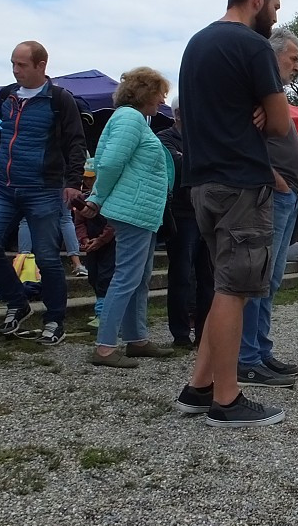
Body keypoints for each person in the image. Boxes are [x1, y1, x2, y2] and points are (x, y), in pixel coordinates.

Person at [173, 0, 291, 429]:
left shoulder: (196, 44)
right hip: (242, 180)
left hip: (201, 181)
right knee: (235, 288)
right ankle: (228, 399)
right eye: (276, 7)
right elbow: (281, 125)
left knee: (225, 283)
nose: (275, 20)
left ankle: (199, 387)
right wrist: (265, 109)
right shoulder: (253, 46)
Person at [0, 41, 86, 345]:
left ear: (41, 66)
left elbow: (76, 142)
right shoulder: (6, 96)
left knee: (47, 257)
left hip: (43, 189)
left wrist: (73, 182)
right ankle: (17, 301)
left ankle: (54, 319)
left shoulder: (60, 100)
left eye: (22, 65)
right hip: (3, 186)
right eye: (13, 63)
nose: (15, 70)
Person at [81, 68, 176, 368]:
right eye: (160, 92)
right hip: (133, 211)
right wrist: (96, 199)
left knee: (139, 279)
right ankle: (105, 347)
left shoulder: (131, 120)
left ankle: (136, 340)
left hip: (143, 213)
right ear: (145, 92)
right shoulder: (130, 118)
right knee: (126, 278)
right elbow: (108, 163)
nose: (163, 98)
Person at [238, 29, 298, 388]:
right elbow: (243, 138)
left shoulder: (272, 96)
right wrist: (275, 178)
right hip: (273, 193)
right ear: (274, 55)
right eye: (293, 58)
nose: (297, 65)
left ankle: (261, 351)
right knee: (259, 280)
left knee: (271, 281)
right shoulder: (256, 92)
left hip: (287, 194)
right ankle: (247, 357)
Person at [157, 95, 214, 348]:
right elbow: (177, 166)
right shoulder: (165, 138)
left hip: (206, 212)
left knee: (208, 277)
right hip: (181, 213)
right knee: (181, 274)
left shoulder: (203, 139)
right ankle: (180, 334)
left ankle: (205, 333)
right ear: (179, 114)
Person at [73, 160, 115, 330]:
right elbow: (79, 222)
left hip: (110, 243)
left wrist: (101, 239)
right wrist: (84, 240)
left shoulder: (110, 197)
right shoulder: (83, 198)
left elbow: (112, 223)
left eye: (91, 178)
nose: (88, 181)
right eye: (85, 178)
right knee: (94, 276)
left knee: (107, 276)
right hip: (91, 244)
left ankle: (103, 314)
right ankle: (101, 308)